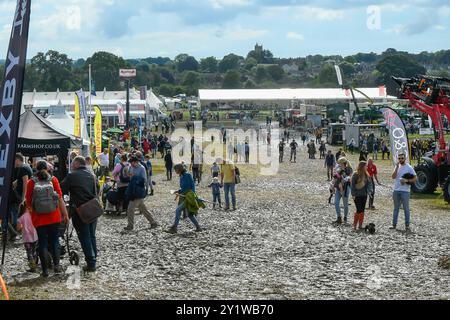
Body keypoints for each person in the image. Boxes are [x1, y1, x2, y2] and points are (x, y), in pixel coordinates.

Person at [26, 161, 69, 277]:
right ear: (47, 169)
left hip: (38, 219)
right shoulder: (53, 180)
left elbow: (28, 202)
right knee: (55, 241)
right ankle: (56, 267)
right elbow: (60, 199)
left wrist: (32, 215)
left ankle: (44, 271)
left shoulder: (31, 182)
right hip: (54, 217)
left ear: (36, 169)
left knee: (42, 242)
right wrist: (65, 214)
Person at [61, 156, 99, 273]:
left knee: (84, 236)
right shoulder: (92, 175)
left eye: (72, 163)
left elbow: (61, 189)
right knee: (91, 235)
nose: (71, 165)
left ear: (77, 164)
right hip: (93, 208)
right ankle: (93, 258)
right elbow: (97, 190)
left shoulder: (72, 176)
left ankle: (91, 263)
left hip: (79, 210)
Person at [3, 153, 33, 242]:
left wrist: (23, 198)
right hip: (18, 196)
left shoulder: (23, 168)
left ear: (17, 160)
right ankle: (13, 233)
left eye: (14, 160)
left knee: (13, 214)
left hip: (18, 197)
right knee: (13, 214)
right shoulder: (25, 167)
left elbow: (25, 184)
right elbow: (19, 182)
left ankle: (13, 233)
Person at [124, 156, 158, 232]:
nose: (131, 164)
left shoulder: (142, 168)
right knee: (143, 209)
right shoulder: (131, 167)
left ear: (136, 162)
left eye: (132, 162)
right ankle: (153, 222)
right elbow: (129, 175)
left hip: (138, 191)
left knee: (130, 208)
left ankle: (130, 225)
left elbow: (144, 180)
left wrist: (135, 177)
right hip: (132, 190)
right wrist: (129, 175)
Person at [166, 164, 202, 234]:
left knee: (178, 210)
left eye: (176, 169)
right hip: (184, 196)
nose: (175, 171)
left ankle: (174, 228)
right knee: (190, 214)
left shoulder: (187, 175)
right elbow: (183, 188)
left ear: (179, 169)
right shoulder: (181, 176)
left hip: (189, 197)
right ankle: (198, 227)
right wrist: (177, 191)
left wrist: (192, 196)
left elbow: (192, 186)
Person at [391, 153, 417, 232]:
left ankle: (407, 225)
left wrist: (407, 180)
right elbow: (393, 177)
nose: (400, 160)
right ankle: (394, 225)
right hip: (396, 190)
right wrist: (396, 168)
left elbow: (415, 178)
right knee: (396, 208)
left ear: (405, 158)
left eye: (402, 158)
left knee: (406, 209)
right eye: (399, 158)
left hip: (405, 191)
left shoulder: (409, 167)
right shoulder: (397, 166)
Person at [351, 161, 373, 231]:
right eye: (366, 166)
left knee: (362, 210)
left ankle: (360, 225)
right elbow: (352, 185)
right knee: (358, 209)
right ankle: (354, 225)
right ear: (362, 166)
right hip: (357, 195)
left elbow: (370, 184)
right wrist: (353, 194)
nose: (367, 167)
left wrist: (369, 191)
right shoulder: (355, 174)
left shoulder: (367, 175)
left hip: (364, 195)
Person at [333, 157, 353, 224]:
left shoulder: (349, 169)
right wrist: (332, 186)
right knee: (336, 202)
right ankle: (339, 217)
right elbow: (335, 178)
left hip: (346, 189)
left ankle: (345, 217)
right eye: (338, 163)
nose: (338, 164)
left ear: (343, 163)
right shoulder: (338, 170)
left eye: (340, 163)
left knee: (345, 205)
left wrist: (344, 179)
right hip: (338, 189)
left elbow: (349, 178)